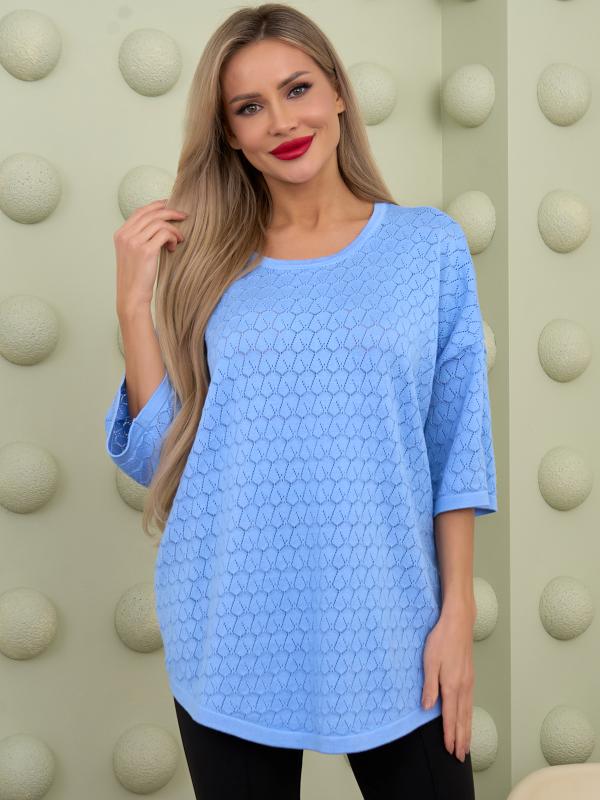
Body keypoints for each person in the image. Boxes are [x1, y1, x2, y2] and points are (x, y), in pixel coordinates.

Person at [104, 3, 497, 798]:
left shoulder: (428, 246)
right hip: (230, 628)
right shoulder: (208, 263)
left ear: (338, 92)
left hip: (392, 623)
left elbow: (458, 445)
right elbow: (158, 457)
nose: (282, 121)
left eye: (297, 88)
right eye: (249, 107)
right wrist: (133, 306)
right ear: (228, 133)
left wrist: (455, 616)